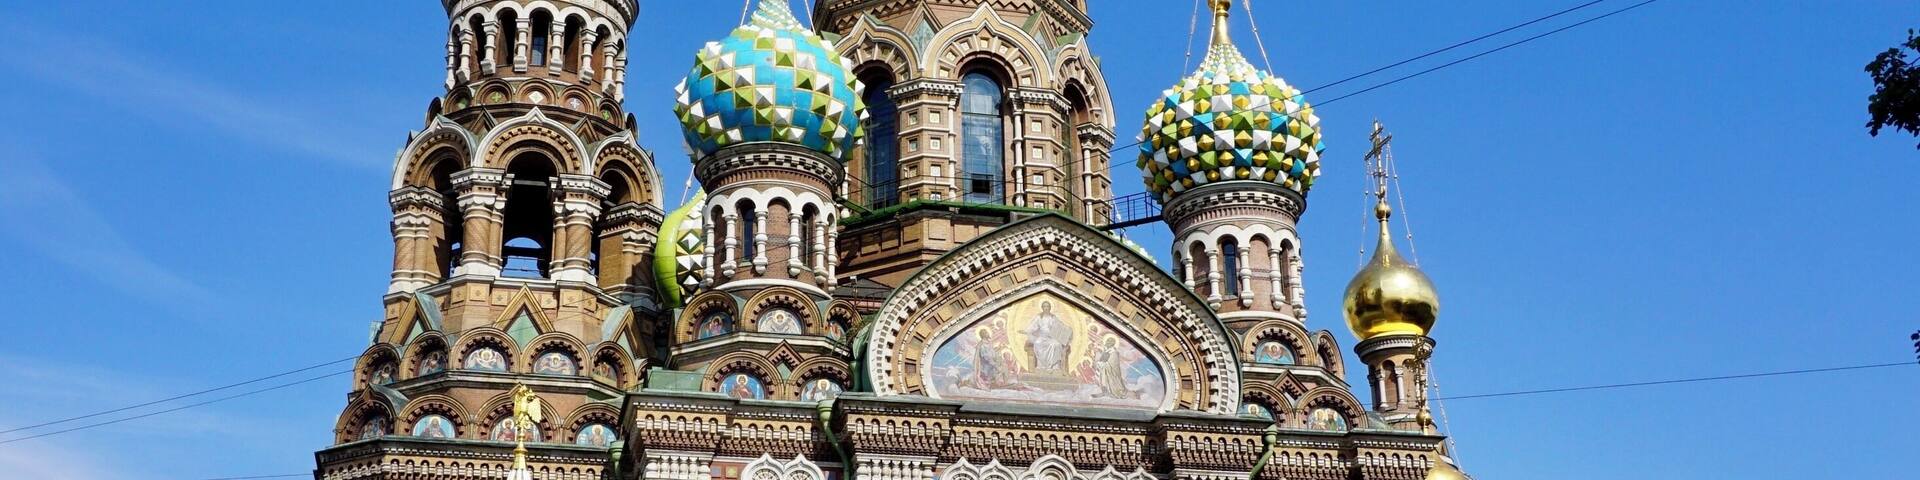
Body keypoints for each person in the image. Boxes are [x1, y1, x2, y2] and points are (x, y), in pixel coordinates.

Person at [1021, 301, 1073, 374]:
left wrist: (1068, 330)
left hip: (1051, 337)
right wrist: (1026, 331)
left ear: (1050, 308)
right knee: (1038, 343)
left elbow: (1060, 326)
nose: (1046, 308)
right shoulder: (1039, 317)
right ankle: (1041, 365)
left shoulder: (1053, 317)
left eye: (1047, 306)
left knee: (1056, 344)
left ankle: (1054, 366)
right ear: (1042, 308)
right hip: (1041, 337)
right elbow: (1032, 326)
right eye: (1044, 306)